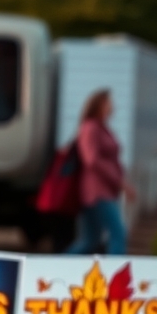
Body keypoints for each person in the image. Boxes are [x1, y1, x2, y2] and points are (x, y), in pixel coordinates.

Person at [67, 89, 137, 254]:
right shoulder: (90, 128)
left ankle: (55, 267)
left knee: (90, 241)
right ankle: (116, 276)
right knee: (118, 233)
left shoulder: (102, 128)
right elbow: (91, 160)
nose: (112, 106)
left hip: (104, 191)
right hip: (97, 192)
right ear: (99, 105)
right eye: (108, 103)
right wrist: (121, 183)